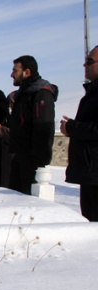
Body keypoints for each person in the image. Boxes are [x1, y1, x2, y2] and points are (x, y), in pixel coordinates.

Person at [8, 55, 57, 195]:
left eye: (15, 71)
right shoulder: (24, 94)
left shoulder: (41, 93)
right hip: (21, 155)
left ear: (27, 72)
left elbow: (44, 126)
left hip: (31, 161)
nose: (12, 75)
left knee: (29, 202)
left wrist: (38, 161)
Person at [61, 45, 98, 221]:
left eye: (90, 61)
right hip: (90, 173)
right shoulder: (91, 94)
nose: (85, 65)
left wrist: (73, 128)